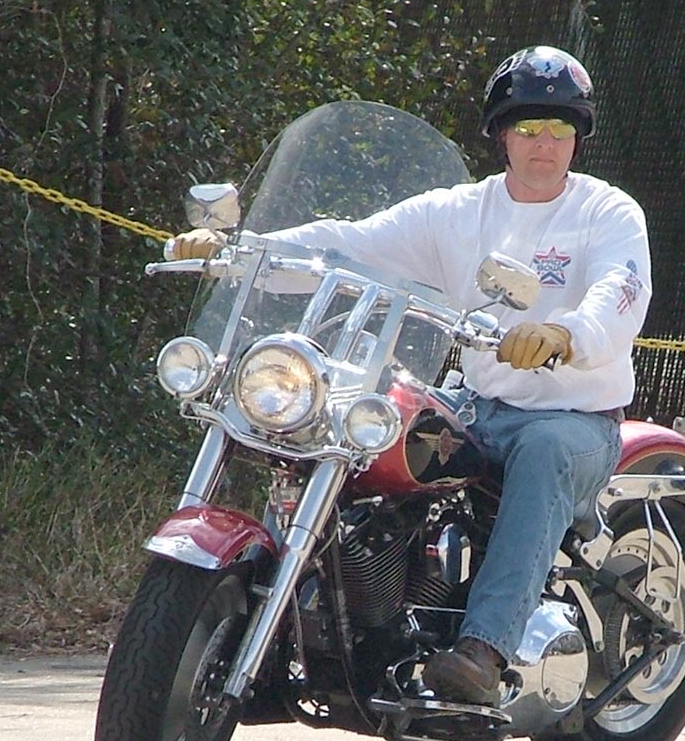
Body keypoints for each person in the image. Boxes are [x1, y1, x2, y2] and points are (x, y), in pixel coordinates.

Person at [170, 45, 652, 706]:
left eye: (559, 129)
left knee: (543, 450)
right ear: (502, 134)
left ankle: (484, 649)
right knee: (366, 423)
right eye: (529, 127)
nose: (544, 143)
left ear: (577, 137)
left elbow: (620, 292)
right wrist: (241, 250)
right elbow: (349, 243)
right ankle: (336, 618)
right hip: (478, 404)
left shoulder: (608, 212)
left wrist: (566, 334)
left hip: (575, 420)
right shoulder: (458, 212)